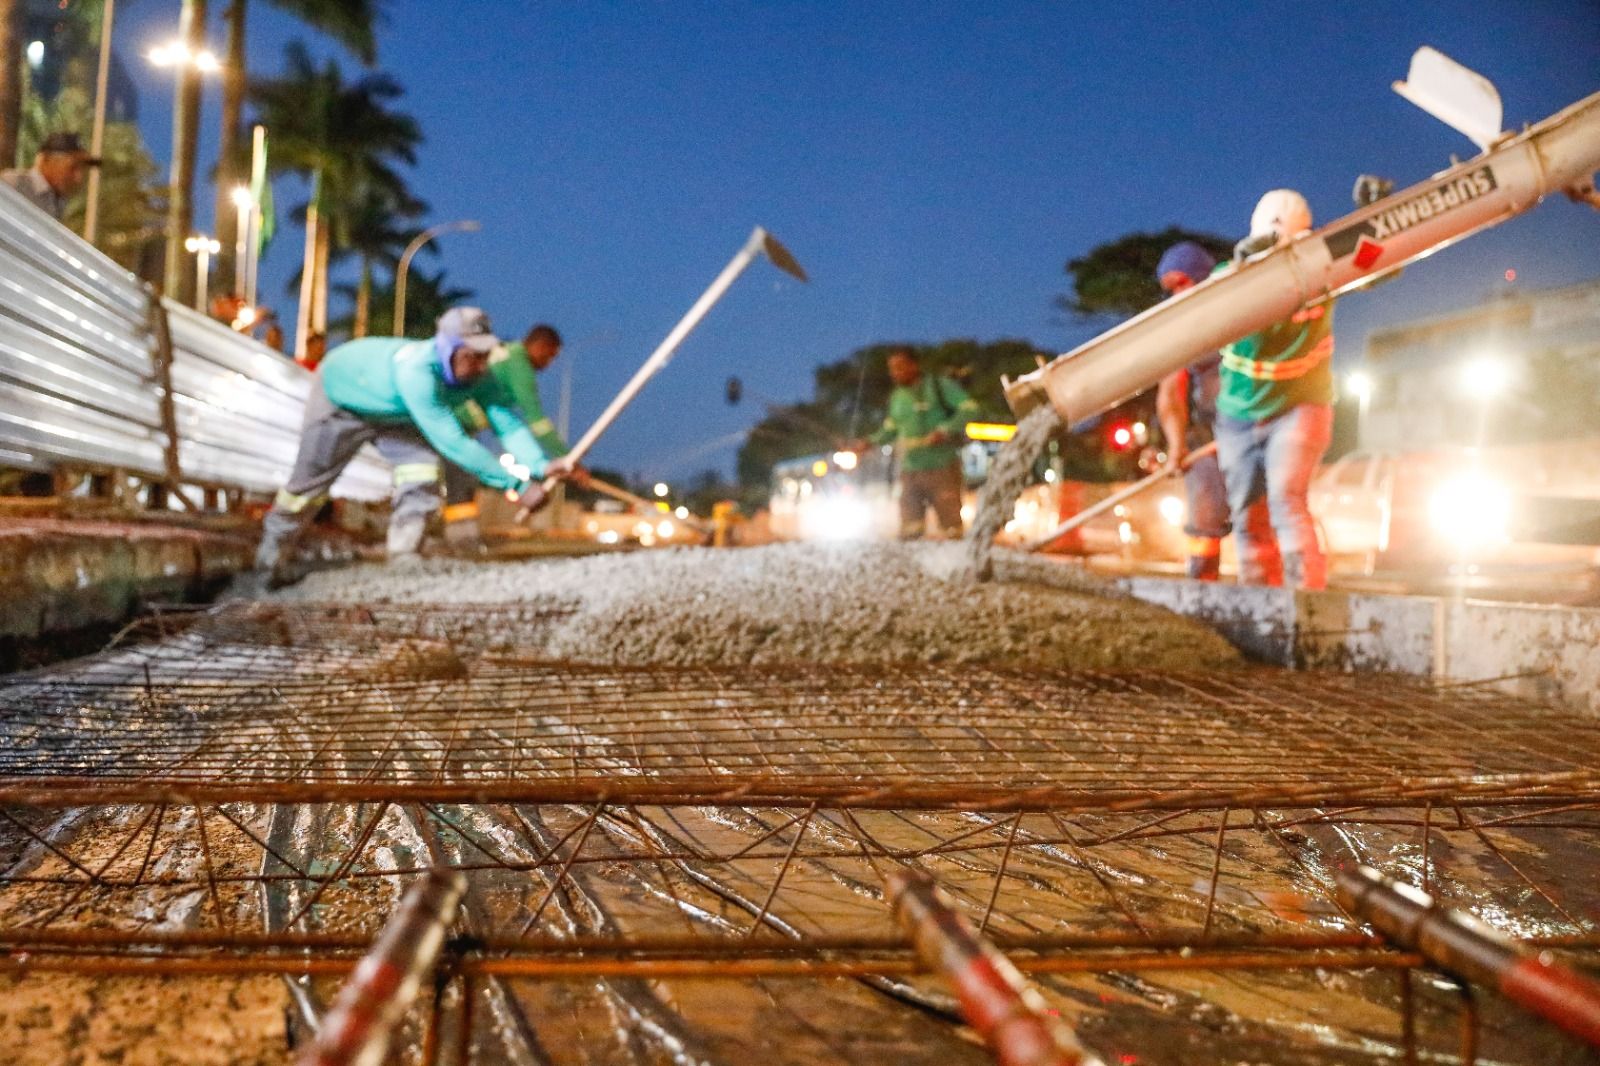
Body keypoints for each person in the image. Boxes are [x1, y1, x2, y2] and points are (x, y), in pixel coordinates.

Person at [254, 307, 575, 584]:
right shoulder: (417, 372)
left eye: (485, 356)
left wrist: (541, 465)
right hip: (342, 400)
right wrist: (516, 484)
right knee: (306, 488)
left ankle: (403, 556)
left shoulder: (479, 374)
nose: (480, 365)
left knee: (421, 469)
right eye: (472, 356)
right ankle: (269, 562)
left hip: (395, 415)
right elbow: (453, 443)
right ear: (447, 349)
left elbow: (507, 421)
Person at [1213, 189, 1336, 589]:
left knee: (1286, 499)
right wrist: (1243, 267)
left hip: (1300, 407)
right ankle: (1259, 599)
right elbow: (1207, 299)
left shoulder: (1321, 270)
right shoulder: (1229, 279)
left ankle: (1305, 603)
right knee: (1248, 515)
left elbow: (1375, 262)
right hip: (1238, 415)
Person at [440, 323, 587, 548]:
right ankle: (460, 538)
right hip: (450, 419)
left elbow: (509, 425)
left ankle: (458, 536)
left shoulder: (506, 357)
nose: (549, 363)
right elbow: (537, 421)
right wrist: (567, 458)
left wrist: (544, 465)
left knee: (459, 475)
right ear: (540, 346)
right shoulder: (519, 367)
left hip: (458, 420)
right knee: (458, 477)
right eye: (551, 355)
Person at [1153, 241, 1230, 580]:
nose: (1176, 295)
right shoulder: (1179, 332)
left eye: (1182, 284)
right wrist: (1176, 446)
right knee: (1204, 512)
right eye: (1170, 289)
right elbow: (1170, 392)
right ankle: (1202, 583)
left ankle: (1268, 590)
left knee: (1256, 516)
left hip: (1250, 426)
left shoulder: (1237, 311)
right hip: (1208, 433)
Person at [862, 347, 979, 539]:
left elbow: (971, 408)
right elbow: (890, 430)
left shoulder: (939, 386)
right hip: (910, 471)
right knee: (909, 531)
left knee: (952, 530)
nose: (895, 372)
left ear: (914, 365)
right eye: (891, 368)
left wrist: (945, 430)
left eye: (900, 366)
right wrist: (867, 442)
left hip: (942, 468)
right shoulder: (897, 397)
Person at [0, 132, 99, 220]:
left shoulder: (58, 200)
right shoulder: (13, 184)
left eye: (82, 169)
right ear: (46, 160)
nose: (78, 178)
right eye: (72, 167)